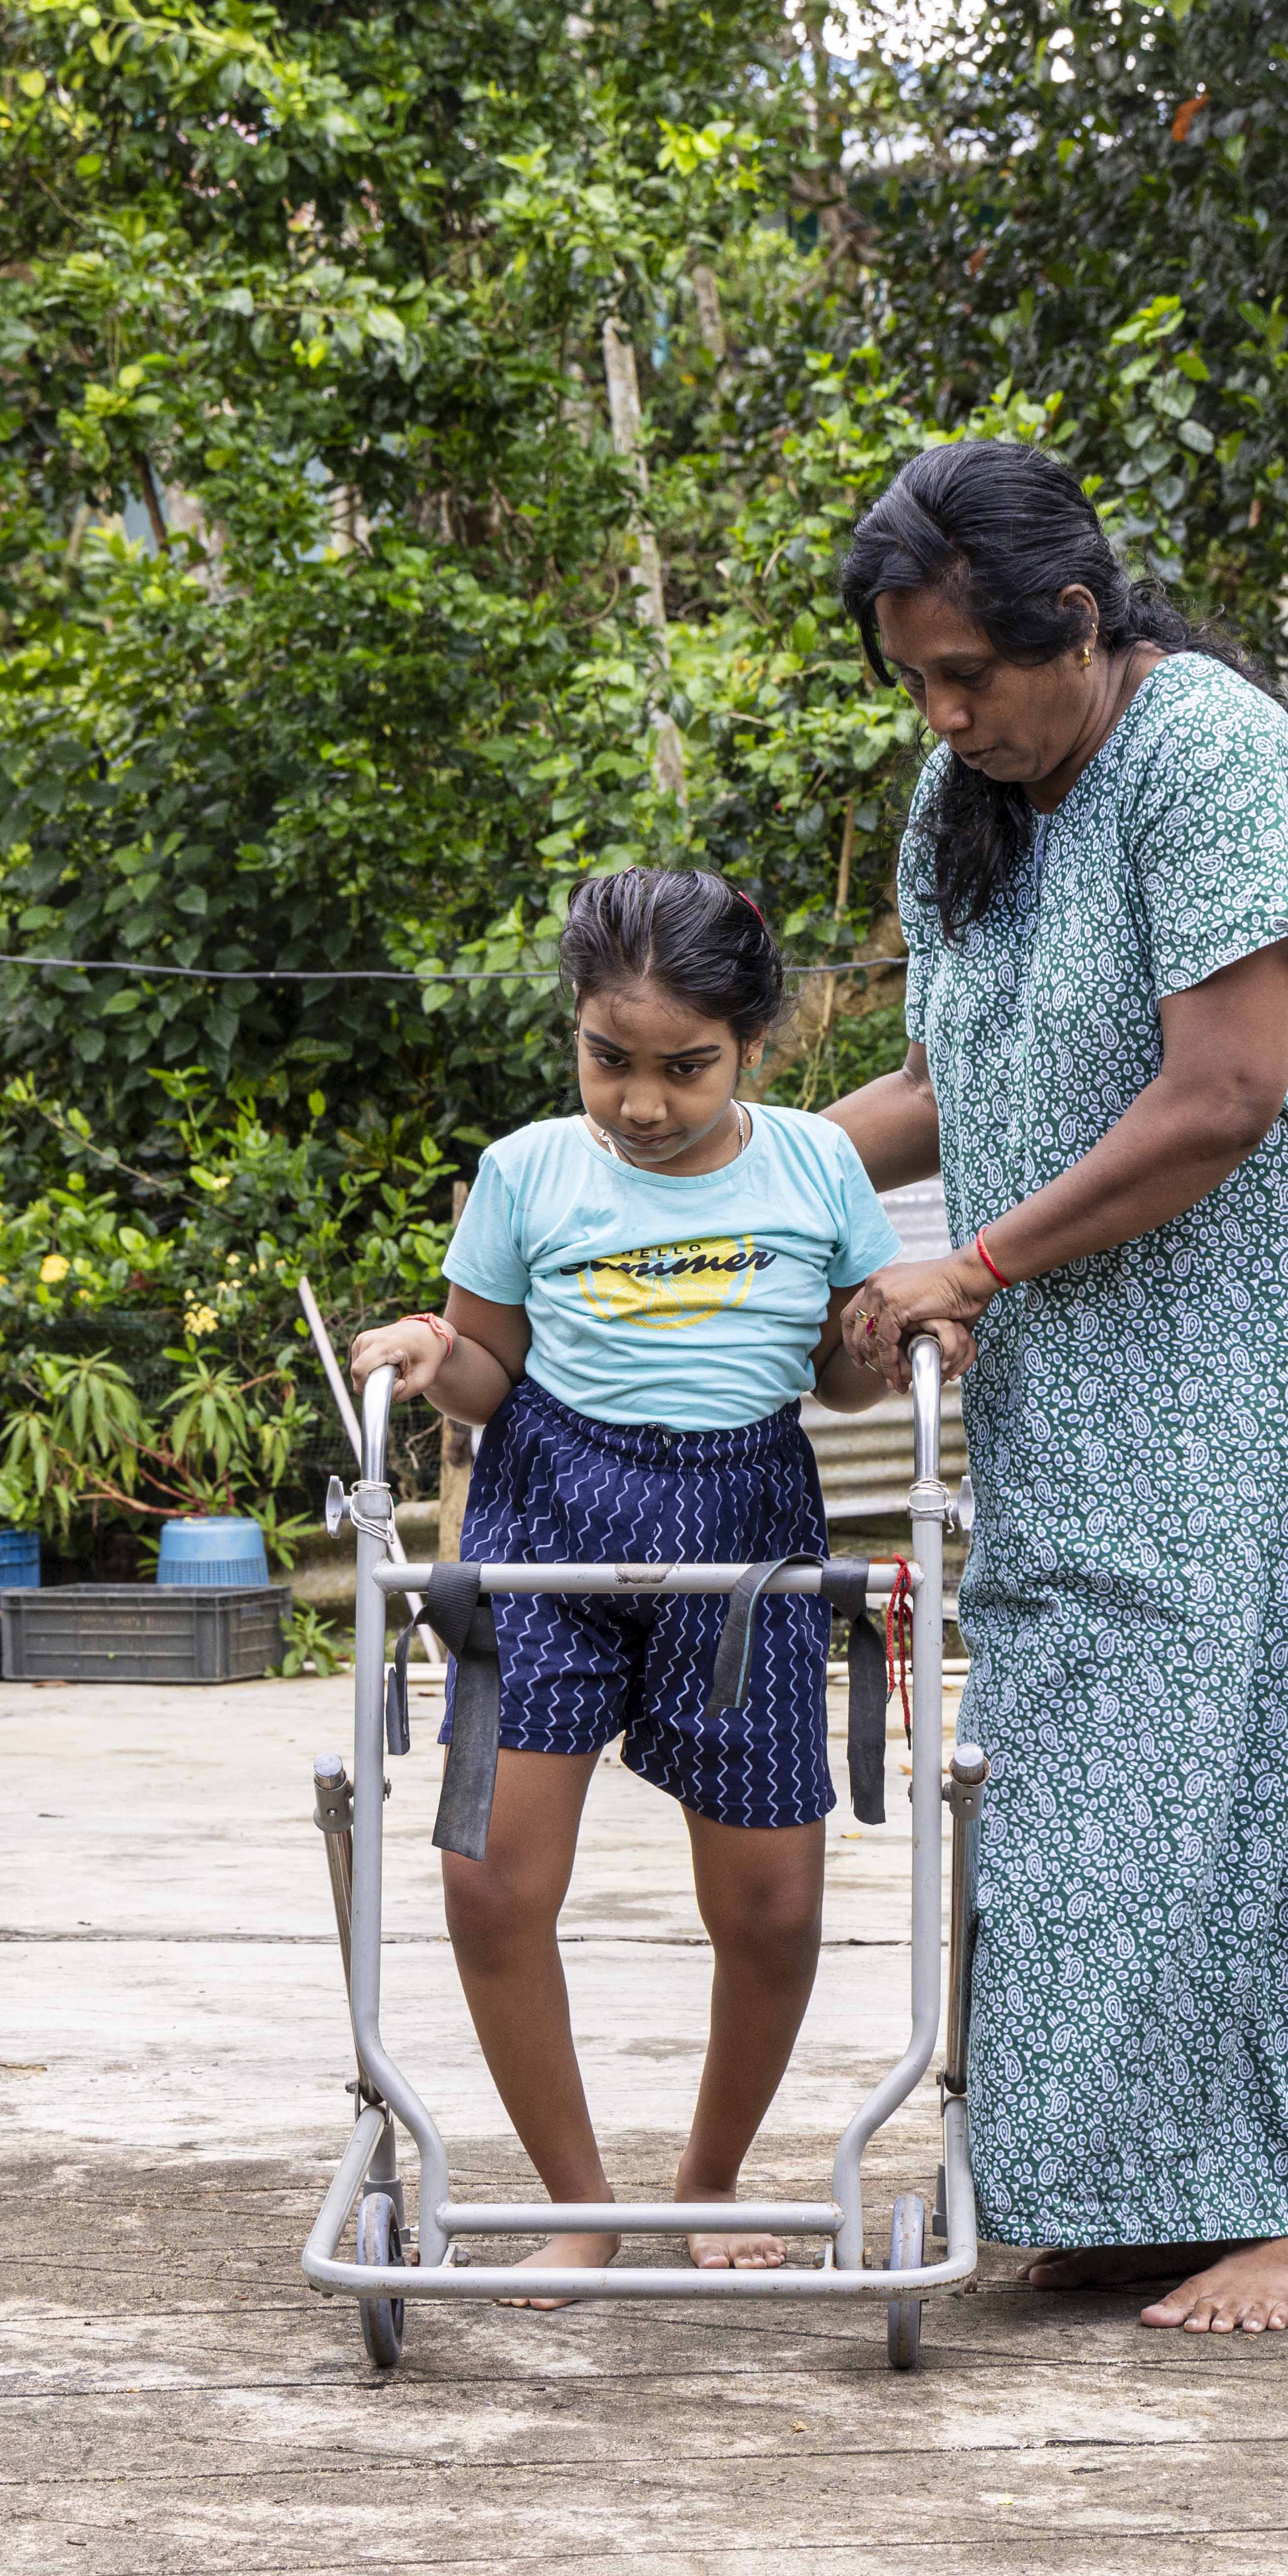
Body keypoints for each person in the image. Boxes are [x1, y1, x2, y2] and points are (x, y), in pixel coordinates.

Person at [823, 439, 1288, 2336]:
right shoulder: (973, 796)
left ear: (1081, 624)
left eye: (972, 675)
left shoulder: (1203, 751)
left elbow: (1224, 1088)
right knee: (1084, 1701)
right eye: (918, 684)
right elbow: (964, 1074)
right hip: (1112, 1269)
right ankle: (1126, 2180)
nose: (948, 715)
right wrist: (728, 1171)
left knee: (1274, 1699)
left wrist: (980, 1260)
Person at [350, 867, 905, 2293]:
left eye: (686, 1067)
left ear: (756, 1046)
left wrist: (883, 1328)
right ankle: (582, 2208)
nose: (644, 1103)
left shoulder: (814, 1169)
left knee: (775, 1908)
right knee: (489, 1884)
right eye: (611, 1060)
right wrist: (429, 1350)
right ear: (576, 1032)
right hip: (547, 1524)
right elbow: (488, 1371)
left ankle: (708, 2183)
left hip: (747, 1535)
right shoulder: (531, 1169)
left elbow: (844, 1386)